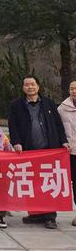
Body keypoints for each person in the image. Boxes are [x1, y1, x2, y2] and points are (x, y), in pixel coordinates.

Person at [9, 75, 69, 229]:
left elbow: (57, 124)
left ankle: (50, 216)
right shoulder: (16, 105)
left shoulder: (48, 103)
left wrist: (63, 141)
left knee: (48, 182)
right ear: (23, 88)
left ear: (38, 87)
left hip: (48, 150)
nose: (30, 87)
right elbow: (13, 126)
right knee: (31, 182)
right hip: (29, 151)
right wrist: (16, 142)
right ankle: (35, 213)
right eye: (27, 84)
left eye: (33, 84)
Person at [58, 80, 76, 227]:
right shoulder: (62, 108)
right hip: (71, 151)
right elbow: (58, 129)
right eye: (72, 88)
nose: (74, 91)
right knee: (74, 183)